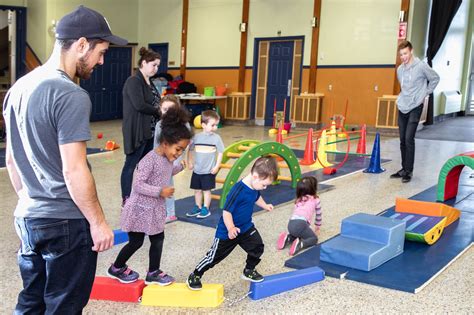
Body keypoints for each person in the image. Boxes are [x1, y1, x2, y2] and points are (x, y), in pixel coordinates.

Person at [2, 5, 126, 313]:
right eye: (101, 51)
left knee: (31, 302)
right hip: (67, 225)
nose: (101, 60)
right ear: (81, 44)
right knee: (63, 307)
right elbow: (74, 169)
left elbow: (13, 161)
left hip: (29, 217)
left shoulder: (18, 88)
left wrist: (30, 205)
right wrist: (98, 223)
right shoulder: (70, 94)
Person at [108, 107, 193, 285]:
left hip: (154, 209)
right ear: (165, 143)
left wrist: (181, 166)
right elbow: (137, 185)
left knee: (158, 239)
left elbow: (167, 171)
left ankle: (153, 272)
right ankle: (116, 267)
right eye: (177, 149)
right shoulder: (149, 159)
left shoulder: (167, 160)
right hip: (140, 208)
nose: (178, 154)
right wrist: (160, 191)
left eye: (182, 151)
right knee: (136, 242)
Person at [187, 157, 278, 290]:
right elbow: (227, 212)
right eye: (264, 185)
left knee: (257, 247)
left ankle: (249, 270)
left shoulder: (255, 185)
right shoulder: (238, 190)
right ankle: (195, 275)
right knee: (213, 257)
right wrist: (230, 228)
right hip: (227, 232)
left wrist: (265, 206)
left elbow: (256, 196)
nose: (264, 188)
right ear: (255, 176)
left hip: (245, 228)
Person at [391, 40, 440, 183]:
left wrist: (425, 93)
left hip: (415, 107)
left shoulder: (421, 66)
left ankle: (409, 171)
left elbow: (435, 78)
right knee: (402, 140)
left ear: (411, 51)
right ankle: (403, 168)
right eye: (401, 55)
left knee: (408, 138)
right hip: (403, 106)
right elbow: (404, 88)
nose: (403, 57)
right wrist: (401, 99)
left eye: (405, 54)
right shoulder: (400, 70)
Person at [120, 47, 162, 203]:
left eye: (158, 65)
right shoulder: (133, 81)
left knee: (144, 166)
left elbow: (154, 101)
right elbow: (140, 105)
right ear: (143, 63)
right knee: (130, 165)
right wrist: (160, 112)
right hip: (137, 130)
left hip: (150, 131)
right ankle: (126, 198)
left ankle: (142, 195)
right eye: (154, 65)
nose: (156, 69)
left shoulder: (149, 82)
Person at [153, 95, 191, 223]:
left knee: (166, 183)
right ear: (160, 109)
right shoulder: (160, 124)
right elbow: (156, 144)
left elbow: (186, 143)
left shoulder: (183, 124)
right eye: (164, 110)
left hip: (173, 158)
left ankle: (170, 213)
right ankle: (162, 211)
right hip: (162, 158)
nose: (167, 113)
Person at [186, 110, 224, 219]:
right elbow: (190, 150)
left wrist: (217, 166)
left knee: (207, 191)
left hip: (208, 171)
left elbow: (221, 152)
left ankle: (205, 208)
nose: (215, 127)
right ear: (203, 125)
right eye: (212, 125)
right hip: (197, 170)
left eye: (216, 125)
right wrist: (189, 162)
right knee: (197, 190)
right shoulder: (196, 137)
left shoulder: (216, 138)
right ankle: (197, 206)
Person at [276, 176, 322, 256]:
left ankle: (288, 237)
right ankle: (300, 244)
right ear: (314, 189)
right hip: (300, 224)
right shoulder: (316, 200)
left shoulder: (298, 200)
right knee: (313, 238)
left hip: (291, 224)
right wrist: (317, 226)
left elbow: (297, 213)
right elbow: (318, 214)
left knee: (298, 232)